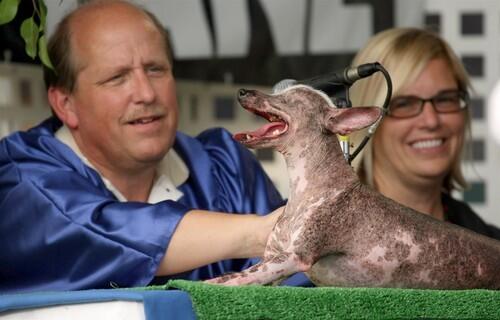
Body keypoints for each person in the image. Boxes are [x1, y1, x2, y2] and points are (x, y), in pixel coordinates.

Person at [0, 0, 287, 293]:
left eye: (155, 69)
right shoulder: (23, 177)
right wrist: (263, 232)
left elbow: (299, 288)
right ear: (65, 103)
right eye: (117, 78)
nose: (146, 93)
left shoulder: (223, 169)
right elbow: (100, 233)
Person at [349, 27, 500, 239]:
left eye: (445, 99)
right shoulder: (315, 249)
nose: (431, 121)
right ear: (363, 119)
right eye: (405, 104)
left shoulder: (491, 248)